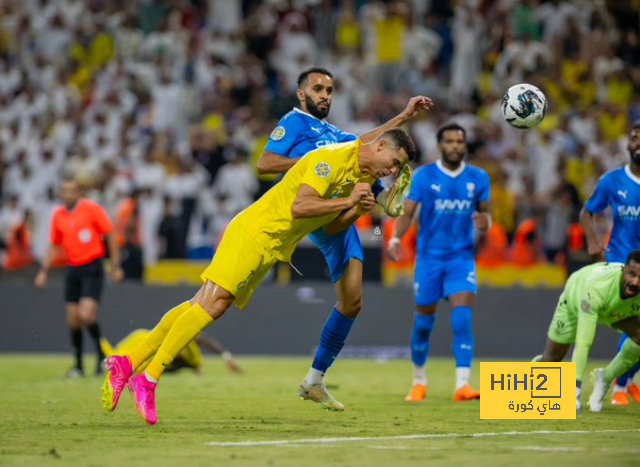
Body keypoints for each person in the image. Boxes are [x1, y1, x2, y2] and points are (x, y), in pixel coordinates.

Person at [101, 128, 417, 425]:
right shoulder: (332, 159)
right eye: (394, 162)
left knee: (201, 302)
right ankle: (148, 378)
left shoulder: (355, 175)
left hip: (270, 244)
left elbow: (331, 226)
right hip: (256, 233)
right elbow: (299, 207)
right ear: (379, 147)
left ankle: (128, 362)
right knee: (212, 306)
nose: (392, 171)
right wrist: (348, 200)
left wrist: (357, 209)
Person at [256, 67, 432, 411]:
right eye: (318, 88)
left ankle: (314, 380)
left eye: (330, 90)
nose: (325, 95)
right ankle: (384, 198)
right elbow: (264, 163)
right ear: (301, 94)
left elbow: (366, 145)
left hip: (339, 210)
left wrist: (405, 116)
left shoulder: (329, 131)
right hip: (315, 202)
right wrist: (313, 162)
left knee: (352, 302)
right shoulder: (293, 122)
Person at [387, 122, 491, 402]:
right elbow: (407, 214)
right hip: (429, 260)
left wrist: (485, 223)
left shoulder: (479, 178)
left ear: (465, 145)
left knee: (461, 318)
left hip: (461, 259)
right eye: (449, 141)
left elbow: (485, 216)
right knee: (423, 324)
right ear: (440, 145)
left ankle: (462, 385)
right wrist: (395, 239)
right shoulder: (424, 176)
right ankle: (419, 381)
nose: (455, 146)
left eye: (459, 141)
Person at [35, 179, 123, 377]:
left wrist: (115, 265)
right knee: (73, 320)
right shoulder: (58, 215)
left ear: (78, 193)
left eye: (70, 191)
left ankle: (101, 357)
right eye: (64, 191)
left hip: (92, 267)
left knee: (87, 316)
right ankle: (78, 366)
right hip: (72, 268)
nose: (67, 195)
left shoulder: (91, 209)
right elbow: (54, 244)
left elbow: (109, 234)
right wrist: (43, 271)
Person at [580, 121, 640, 406]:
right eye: (635, 138)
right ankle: (619, 385)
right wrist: (593, 242)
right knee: (630, 320)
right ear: (628, 145)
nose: (639, 142)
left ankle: (621, 380)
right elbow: (586, 212)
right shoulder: (612, 181)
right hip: (620, 263)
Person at [534, 251, 640, 412]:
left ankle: (604, 378)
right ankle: (530, 380)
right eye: (632, 274)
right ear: (623, 270)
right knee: (552, 360)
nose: (635, 282)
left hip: (616, 311)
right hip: (576, 300)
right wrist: (574, 389)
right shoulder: (596, 288)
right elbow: (583, 342)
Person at [101, 329, 243, 375]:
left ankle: (109, 361)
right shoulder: (186, 346)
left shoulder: (188, 358)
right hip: (146, 340)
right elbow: (203, 339)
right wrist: (227, 356)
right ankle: (108, 360)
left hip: (146, 348)